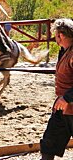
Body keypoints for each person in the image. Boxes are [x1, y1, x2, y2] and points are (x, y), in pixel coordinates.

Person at [40, 18, 73, 160]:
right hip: (62, 109)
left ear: (60, 35)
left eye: (56, 34)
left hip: (70, 105)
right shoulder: (64, 51)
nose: (55, 38)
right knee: (49, 143)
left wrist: (67, 98)